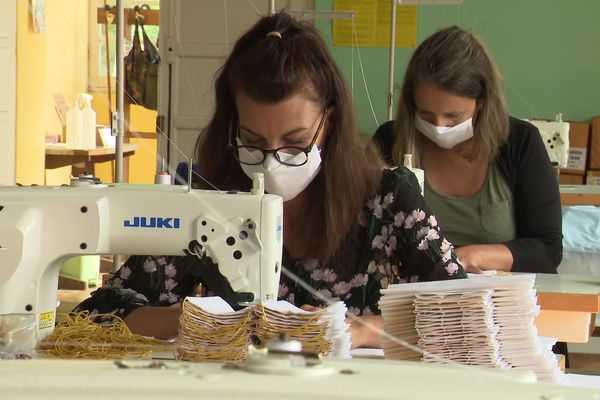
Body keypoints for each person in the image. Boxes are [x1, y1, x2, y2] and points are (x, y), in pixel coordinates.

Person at [75, 13, 466, 348]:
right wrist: (184, 319)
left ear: (329, 121)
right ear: (233, 127)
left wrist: (360, 330)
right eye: (254, 142)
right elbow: (93, 314)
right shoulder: (207, 205)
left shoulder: (387, 199)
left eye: (295, 143)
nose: (271, 161)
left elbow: (463, 314)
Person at [373, 26, 562, 275]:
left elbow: (547, 251)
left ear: (482, 101)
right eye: (426, 114)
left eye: (453, 117)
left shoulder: (519, 142)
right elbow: (361, 235)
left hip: (499, 302)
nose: (438, 126)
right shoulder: (390, 141)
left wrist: (467, 256)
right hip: (411, 299)